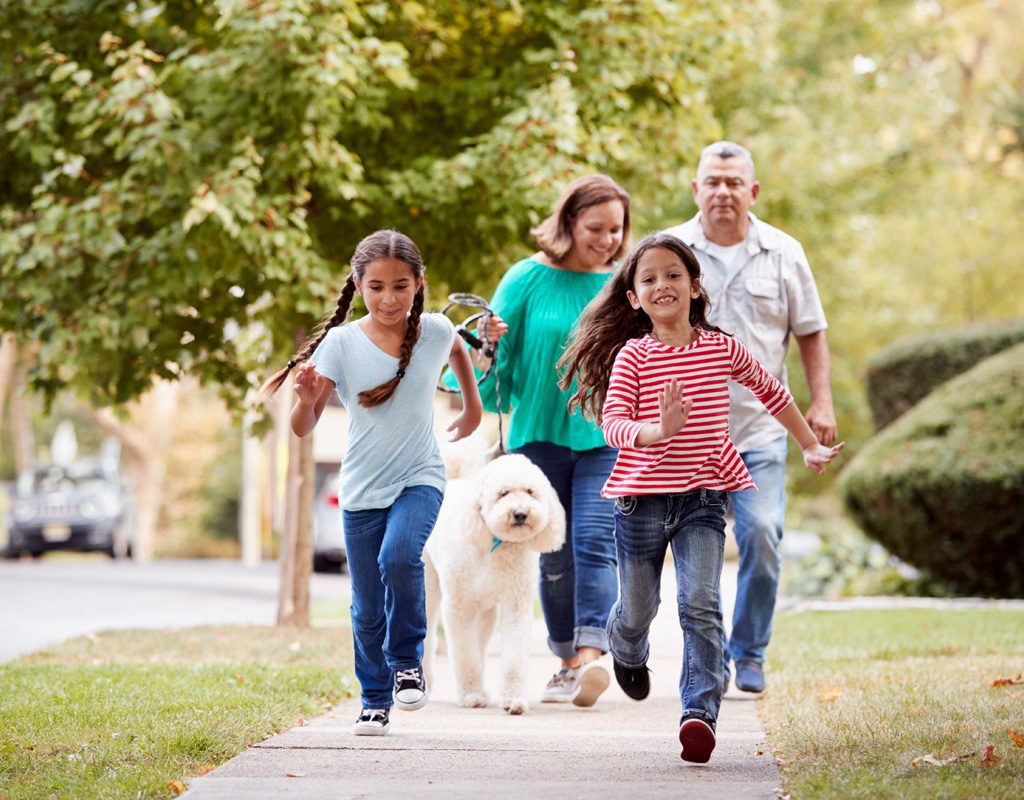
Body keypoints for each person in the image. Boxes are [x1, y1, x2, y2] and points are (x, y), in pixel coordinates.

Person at [557, 233, 843, 763]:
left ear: (694, 286)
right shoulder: (633, 356)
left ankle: (699, 713)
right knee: (638, 608)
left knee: (700, 603)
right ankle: (627, 649)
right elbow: (614, 423)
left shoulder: (720, 347)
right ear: (634, 298)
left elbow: (772, 391)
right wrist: (657, 431)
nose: (662, 284)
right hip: (641, 501)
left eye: (673, 274)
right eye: (649, 279)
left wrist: (807, 443)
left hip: (703, 498)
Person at [260, 230, 482, 737]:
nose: (389, 299)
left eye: (400, 286)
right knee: (365, 607)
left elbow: (458, 350)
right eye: (376, 287)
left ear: (418, 283)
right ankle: (374, 701)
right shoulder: (341, 344)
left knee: (399, 558)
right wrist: (306, 401)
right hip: (361, 488)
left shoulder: (434, 329)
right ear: (358, 285)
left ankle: (407, 663)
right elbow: (302, 427)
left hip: (420, 476)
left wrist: (472, 407)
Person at [663, 141, 837, 695]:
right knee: (696, 557)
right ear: (696, 189)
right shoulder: (669, 252)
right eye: (712, 182)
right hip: (690, 437)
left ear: (753, 191)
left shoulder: (784, 252)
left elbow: (810, 331)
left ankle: (750, 651)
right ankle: (708, 659)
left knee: (762, 535)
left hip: (762, 429)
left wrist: (821, 402)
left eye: (734, 182)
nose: (723, 191)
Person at [468, 174, 631, 707]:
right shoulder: (525, 278)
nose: (607, 239)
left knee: (595, 541)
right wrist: (485, 345)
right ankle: (565, 661)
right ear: (569, 222)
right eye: (595, 227)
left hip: (604, 434)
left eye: (616, 229)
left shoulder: (622, 284)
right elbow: (492, 366)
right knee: (554, 554)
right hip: (538, 436)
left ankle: (591, 657)